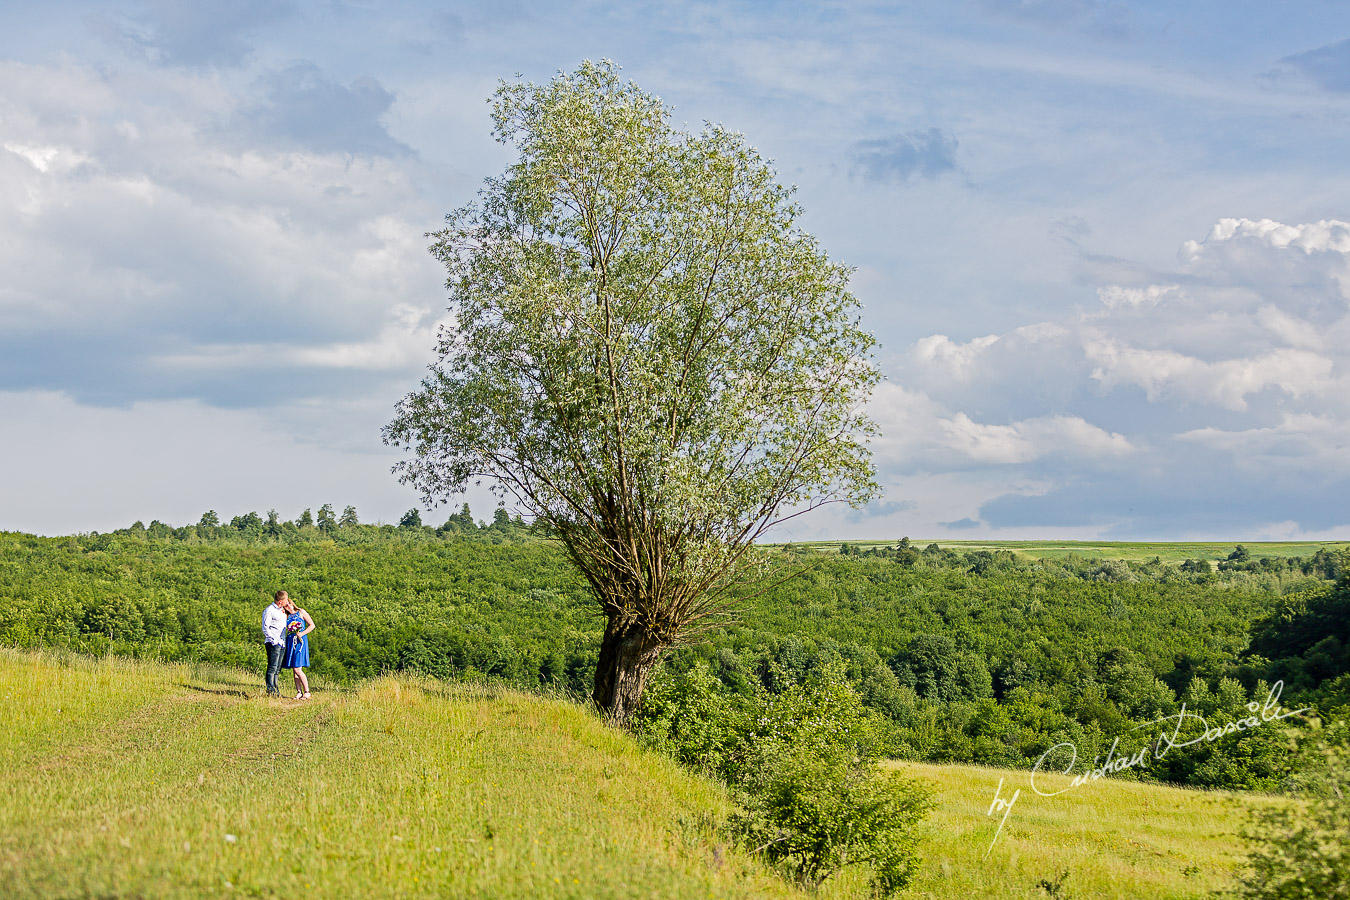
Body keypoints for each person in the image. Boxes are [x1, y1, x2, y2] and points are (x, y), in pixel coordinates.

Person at [282, 597, 316, 700]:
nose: (288, 606)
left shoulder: (301, 611)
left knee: (297, 668)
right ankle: (298, 692)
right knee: (294, 668)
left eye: (289, 604)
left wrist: (301, 633)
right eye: (286, 605)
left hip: (301, 642)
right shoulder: (286, 616)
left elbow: (312, 625)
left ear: (292, 603)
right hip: (291, 641)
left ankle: (307, 691)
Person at [261, 590, 289, 696]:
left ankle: (275, 689)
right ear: (280, 601)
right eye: (286, 599)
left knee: (278, 668)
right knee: (272, 667)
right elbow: (265, 627)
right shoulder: (270, 610)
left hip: (282, 642)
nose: (287, 601)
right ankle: (270, 690)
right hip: (274, 642)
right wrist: (274, 640)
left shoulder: (282, 611)